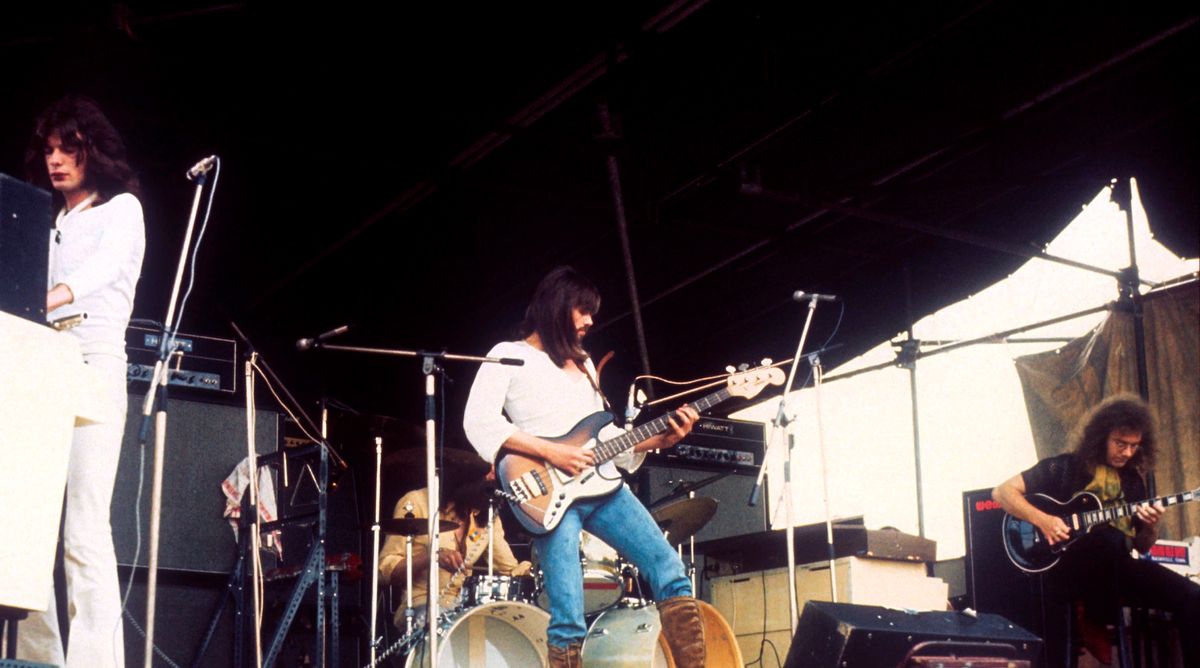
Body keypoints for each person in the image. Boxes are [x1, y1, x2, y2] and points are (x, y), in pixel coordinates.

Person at [462, 266, 704, 668]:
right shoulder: (509, 355)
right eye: (582, 310)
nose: (590, 320)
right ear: (556, 306)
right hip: (549, 493)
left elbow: (603, 438)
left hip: (602, 487)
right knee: (568, 617)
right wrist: (552, 453)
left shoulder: (585, 364)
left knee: (670, 569)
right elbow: (480, 423)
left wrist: (660, 439)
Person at [17, 95, 145, 667]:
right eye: (48, 149)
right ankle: (38, 658)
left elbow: (106, 270)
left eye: (68, 147)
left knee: (85, 528)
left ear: (92, 150)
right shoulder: (50, 222)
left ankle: (97, 661)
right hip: (43, 365)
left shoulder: (122, 210)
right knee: (30, 523)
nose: (56, 159)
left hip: (95, 365)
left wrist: (51, 297)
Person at [993, 394, 1199, 667]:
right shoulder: (1064, 467)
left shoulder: (1133, 481)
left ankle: (1095, 614)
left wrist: (1151, 525)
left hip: (1117, 569)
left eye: (1134, 446)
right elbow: (1002, 492)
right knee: (1108, 538)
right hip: (1067, 571)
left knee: (1192, 597)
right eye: (1120, 443)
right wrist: (1043, 520)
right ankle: (1091, 617)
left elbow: (1142, 546)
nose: (1127, 452)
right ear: (1101, 436)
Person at [377, 456, 532, 631]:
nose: (493, 477)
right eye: (488, 470)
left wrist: (537, 573)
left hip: (466, 607)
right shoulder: (417, 502)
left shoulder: (486, 513)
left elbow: (509, 569)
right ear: (466, 474)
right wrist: (433, 556)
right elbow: (384, 571)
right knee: (442, 622)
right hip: (422, 605)